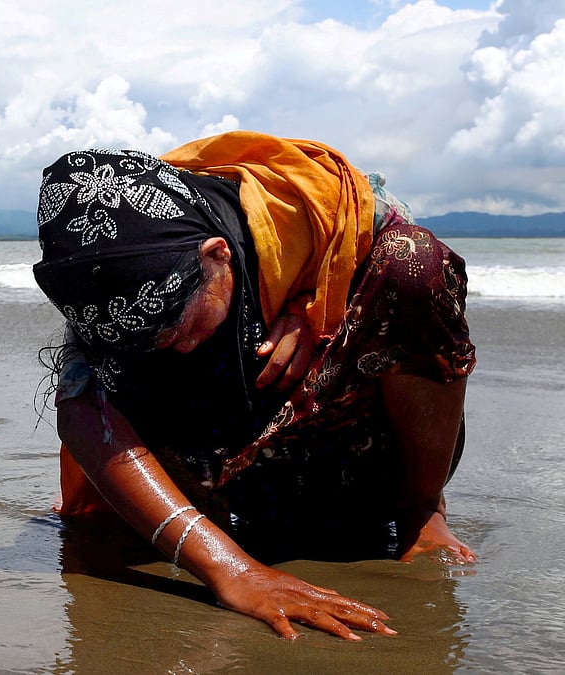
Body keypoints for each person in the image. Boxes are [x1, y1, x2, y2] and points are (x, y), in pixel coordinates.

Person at [33, 132, 476, 641]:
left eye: (176, 329)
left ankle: (421, 510)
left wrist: (314, 305)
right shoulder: (110, 271)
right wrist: (232, 570)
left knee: (413, 263)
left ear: (217, 255)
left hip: (343, 448)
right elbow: (83, 410)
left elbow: (400, 278)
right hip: (216, 472)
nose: (172, 350)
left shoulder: (325, 207)